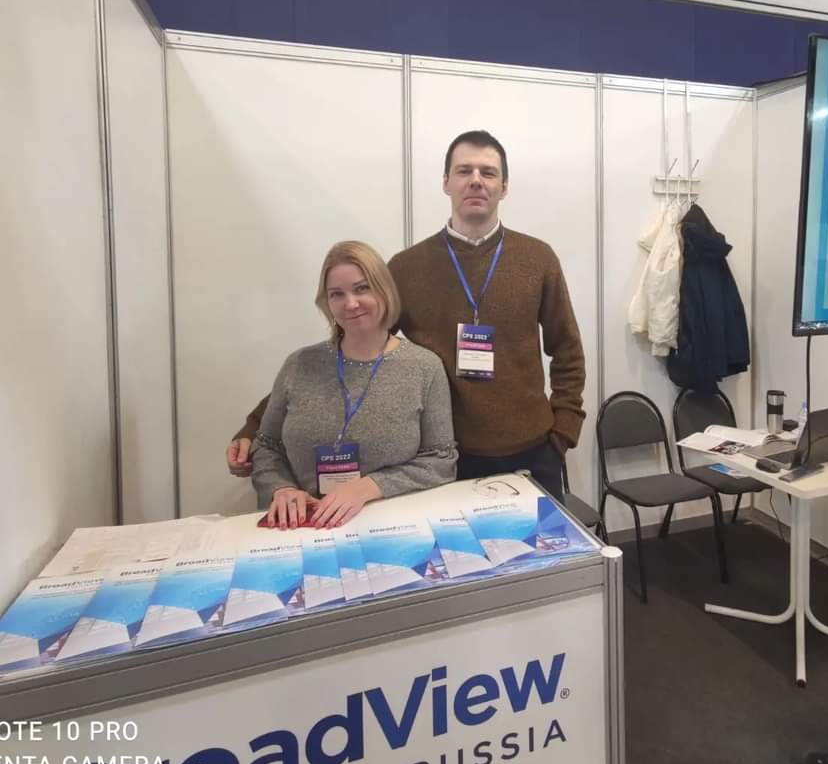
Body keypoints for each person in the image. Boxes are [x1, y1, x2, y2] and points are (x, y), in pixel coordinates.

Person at [229, 131, 585, 499]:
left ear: (504, 187)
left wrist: (563, 432)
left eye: (488, 172)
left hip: (533, 452)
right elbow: (349, 347)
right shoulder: (407, 268)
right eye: (464, 171)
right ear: (446, 182)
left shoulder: (538, 259)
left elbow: (567, 350)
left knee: (548, 540)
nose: (476, 180)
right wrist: (256, 426)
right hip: (448, 461)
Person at [251, 240, 457, 529]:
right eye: (337, 294)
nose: (350, 303)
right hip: (303, 527)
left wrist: (368, 487)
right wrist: (280, 488)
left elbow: (441, 461)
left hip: (389, 527)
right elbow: (265, 446)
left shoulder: (424, 367)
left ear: (384, 291)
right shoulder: (299, 364)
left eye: (362, 289)